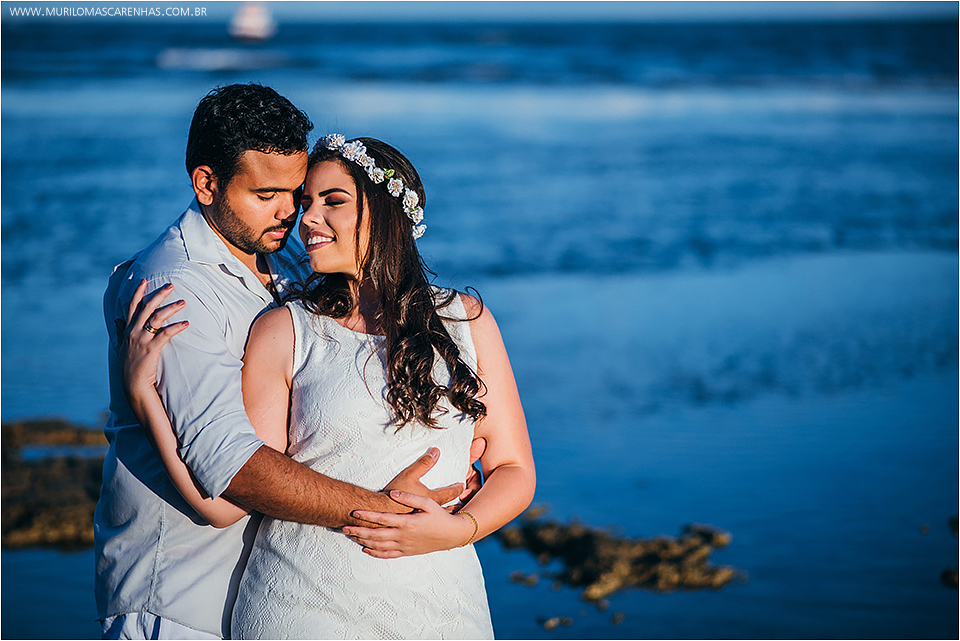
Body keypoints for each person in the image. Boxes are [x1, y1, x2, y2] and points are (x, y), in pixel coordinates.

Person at [96, 85, 479, 640]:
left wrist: (449, 464)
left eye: (296, 193)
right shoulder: (174, 291)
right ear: (206, 184)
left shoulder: (285, 256)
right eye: (267, 193)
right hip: (179, 603)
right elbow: (231, 470)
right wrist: (390, 514)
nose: (291, 213)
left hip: (277, 587)